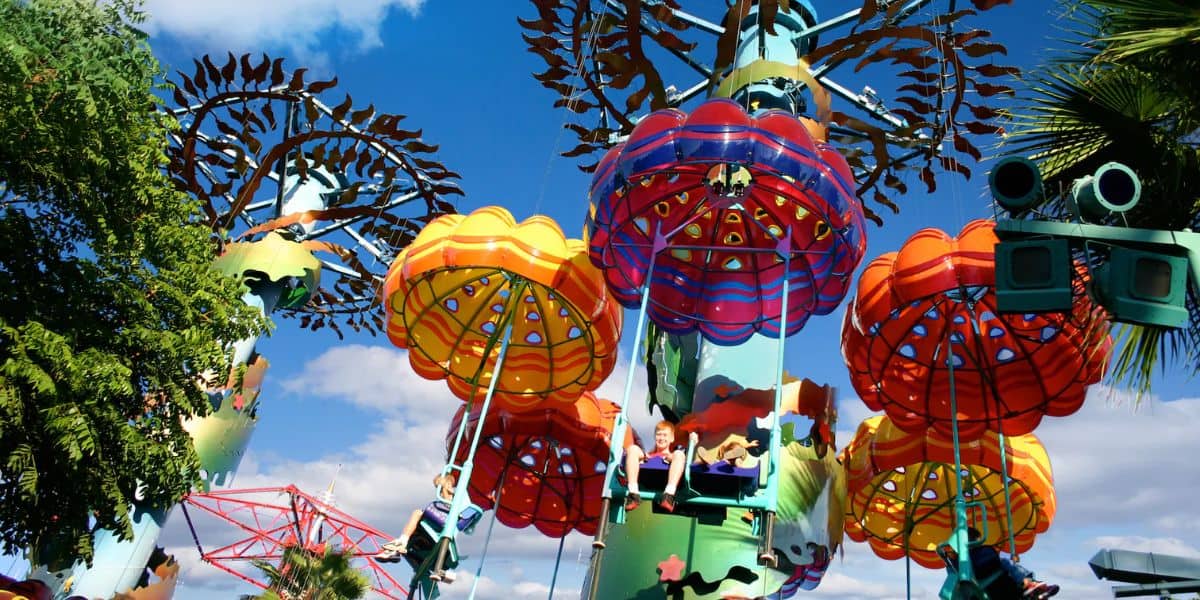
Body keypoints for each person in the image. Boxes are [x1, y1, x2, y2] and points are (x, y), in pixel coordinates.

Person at [376, 471, 457, 562]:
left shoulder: (450, 494)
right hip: (441, 519)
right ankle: (396, 549)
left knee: (417, 513)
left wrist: (445, 489)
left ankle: (401, 542)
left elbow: (448, 505)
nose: (438, 491)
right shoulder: (447, 496)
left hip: (444, 521)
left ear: (447, 483)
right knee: (413, 525)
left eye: (439, 487)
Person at [624, 420, 697, 513]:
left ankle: (669, 495)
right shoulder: (648, 455)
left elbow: (682, 457)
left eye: (665, 435)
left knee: (679, 454)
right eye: (659, 434)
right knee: (632, 448)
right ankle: (633, 493)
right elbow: (639, 455)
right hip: (646, 477)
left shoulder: (673, 455)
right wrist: (644, 456)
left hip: (665, 478)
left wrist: (693, 442)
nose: (661, 438)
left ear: (672, 438)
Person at [967, 527, 1059, 599]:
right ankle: (1030, 584)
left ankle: (1033, 589)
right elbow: (991, 561)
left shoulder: (960, 561)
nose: (980, 543)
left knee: (1006, 570)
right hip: (985, 580)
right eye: (979, 540)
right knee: (1005, 563)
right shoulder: (978, 554)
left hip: (984, 584)